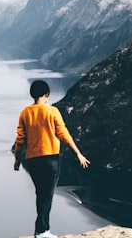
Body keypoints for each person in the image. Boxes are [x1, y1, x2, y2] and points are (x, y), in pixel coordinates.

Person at [14, 80, 90, 238]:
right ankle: (42, 231)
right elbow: (63, 134)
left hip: (33, 160)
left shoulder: (25, 113)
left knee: (41, 194)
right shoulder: (53, 111)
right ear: (46, 94)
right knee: (46, 195)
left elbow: (20, 139)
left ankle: (40, 229)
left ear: (33, 95)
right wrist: (78, 153)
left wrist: (17, 160)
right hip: (51, 159)